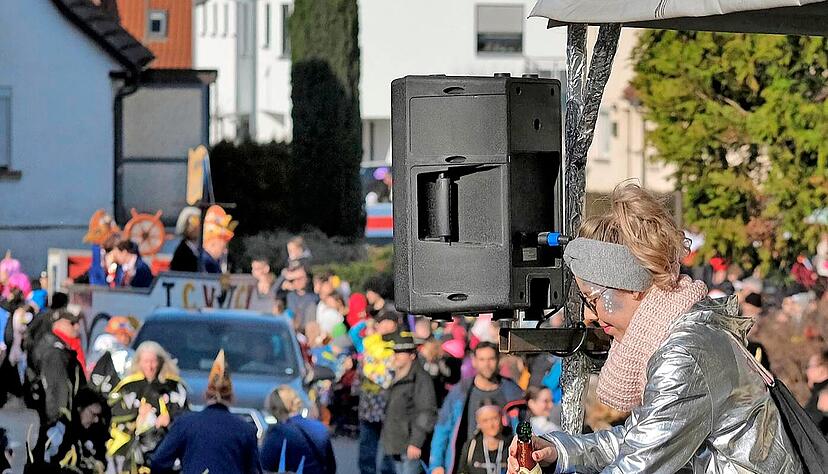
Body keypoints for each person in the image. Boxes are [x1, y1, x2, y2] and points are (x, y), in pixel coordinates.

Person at [506, 183, 799, 473]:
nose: (589, 314)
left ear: (631, 286)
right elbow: (640, 439)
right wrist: (559, 451)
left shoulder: (684, 354)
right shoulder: (684, 329)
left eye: (592, 299)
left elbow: (637, 465)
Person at [151, 350, 261, 474]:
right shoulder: (245, 430)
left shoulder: (185, 424)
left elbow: (158, 462)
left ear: (206, 394)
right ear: (232, 397)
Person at [429, 342, 523, 474]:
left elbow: (524, 431)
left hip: (505, 465)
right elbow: (442, 429)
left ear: (498, 360)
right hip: (466, 464)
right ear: (474, 361)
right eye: (482, 359)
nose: (487, 364)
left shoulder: (513, 392)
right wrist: (436, 465)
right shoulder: (460, 392)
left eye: (491, 359)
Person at [107, 341, 189, 472]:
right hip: (131, 454)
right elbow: (113, 414)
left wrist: (169, 420)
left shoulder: (174, 386)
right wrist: (136, 414)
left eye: (153, 361)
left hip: (166, 453)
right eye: (145, 361)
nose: (150, 366)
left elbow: (185, 416)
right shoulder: (128, 387)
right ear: (138, 362)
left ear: (160, 362)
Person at [27, 310, 87, 462]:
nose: (77, 327)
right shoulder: (55, 352)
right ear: (57, 324)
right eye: (72, 323)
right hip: (55, 424)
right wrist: (60, 423)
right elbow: (58, 391)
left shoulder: (58, 345)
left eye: (78, 322)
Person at [381, 331, 437, 474]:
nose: (395, 356)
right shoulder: (395, 376)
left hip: (411, 447)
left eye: (400, 352)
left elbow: (427, 412)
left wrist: (416, 442)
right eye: (394, 351)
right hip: (395, 445)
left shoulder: (421, 379)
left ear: (412, 355)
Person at [28, 387, 109, 474]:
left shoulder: (80, 435)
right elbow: (40, 463)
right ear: (79, 408)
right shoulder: (58, 431)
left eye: (98, 416)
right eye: (93, 414)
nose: (96, 420)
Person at [260, 385, 336, 474]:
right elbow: (331, 467)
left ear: (275, 409)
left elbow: (264, 466)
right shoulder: (320, 427)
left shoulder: (277, 433)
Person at [88, 316, 138, 395]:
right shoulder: (106, 342)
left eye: (126, 335)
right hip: (109, 389)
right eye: (121, 334)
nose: (124, 338)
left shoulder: (129, 352)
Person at [457, 403, 511, 474]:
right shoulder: (471, 447)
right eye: (485, 420)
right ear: (478, 423)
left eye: (495, 418)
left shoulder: (512, 444)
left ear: (501, 417)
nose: (491, 425)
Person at [170, 207, 200, 272]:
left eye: (197, 223)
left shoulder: (200, 249)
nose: (195, 228)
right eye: (191, 224)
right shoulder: (181, 252)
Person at [806, 350, 828, 436]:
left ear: (822, 369)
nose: (807, 371)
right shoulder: (817, 392)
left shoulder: (825, 395)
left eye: (809, 366)